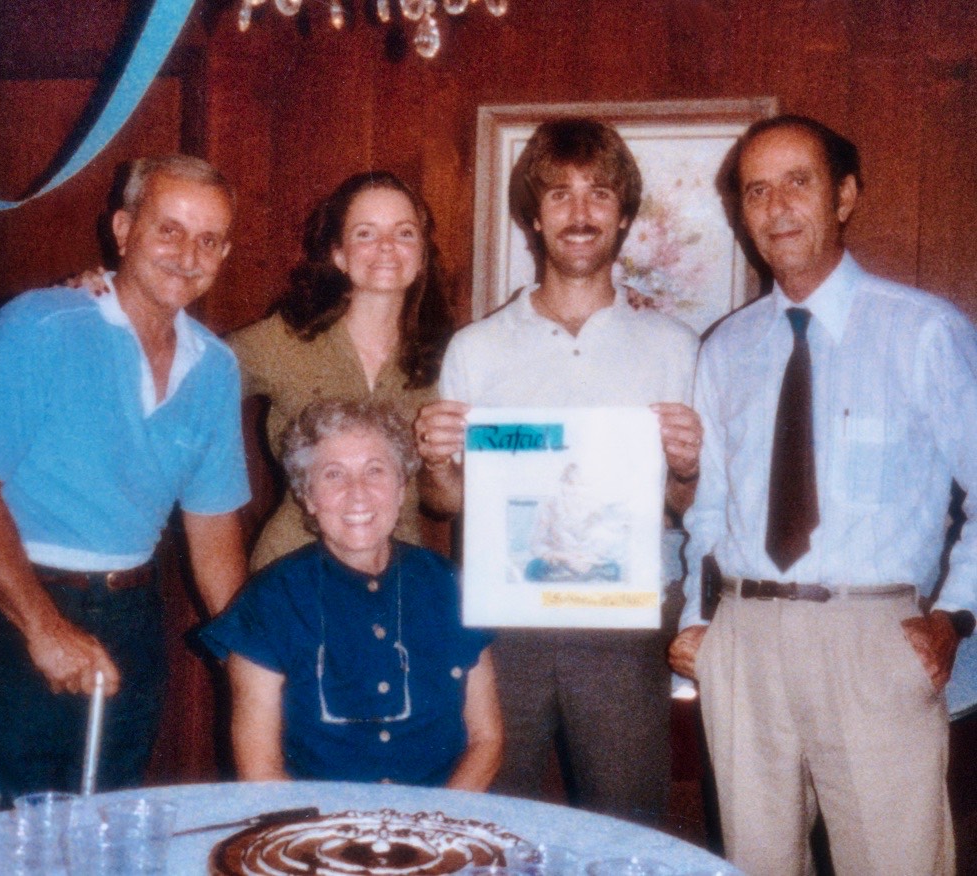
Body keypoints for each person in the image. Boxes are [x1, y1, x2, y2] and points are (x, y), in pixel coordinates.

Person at [668, 115, 977, 876]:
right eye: (756, 191)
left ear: (844, 196)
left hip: (872, 639)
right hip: (742, 641)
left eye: (797, 183)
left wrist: (955, 614)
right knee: (756, 864)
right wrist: (698, 622)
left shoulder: (923, 333)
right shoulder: (726, 348)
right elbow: (709, 511)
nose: (777, 209)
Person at [414, 117, 702, 819]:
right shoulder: (476, 349)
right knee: (494, 825)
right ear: (533, 217)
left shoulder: (674, 347)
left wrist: (687, 469)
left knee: (627, 826)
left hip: (626, 627)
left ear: (625, 214)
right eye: (559, 195)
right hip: (504, 623)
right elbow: (444, 503)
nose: (579, 213)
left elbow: (690, 508)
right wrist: (437, 459)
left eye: (599, 194)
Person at [0, 155, 250, 801]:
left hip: (133, 618)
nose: (188, 254)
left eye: (208, 239)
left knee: (108, 824)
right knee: (6, 832)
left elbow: (212, 538)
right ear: (123, 231)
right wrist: (42, 627)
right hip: (12, 606)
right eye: (170, 230)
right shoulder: (39, 325)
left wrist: (249, 660)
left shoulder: (215, 368)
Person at [201, 400, 503, 789]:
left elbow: (486, 739)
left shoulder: (452, 586)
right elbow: (260, 772)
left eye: (375, 471)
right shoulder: (269, 601)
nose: (357, 493)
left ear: (401, 489)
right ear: (308, 497)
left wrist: (434, 827)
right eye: (333, 475)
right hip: (315, 829)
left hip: (440, 824)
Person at [228, 171, 454, 570]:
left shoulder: (445, 359)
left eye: (404, 233)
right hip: (292, 572)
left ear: (421, 256)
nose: (386, 248)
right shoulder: (284, 339)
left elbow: (443, 502)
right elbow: (183, 373)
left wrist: (439, 464)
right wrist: (110, 296)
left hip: (396, 580)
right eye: (366, 233)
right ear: (338, 254)